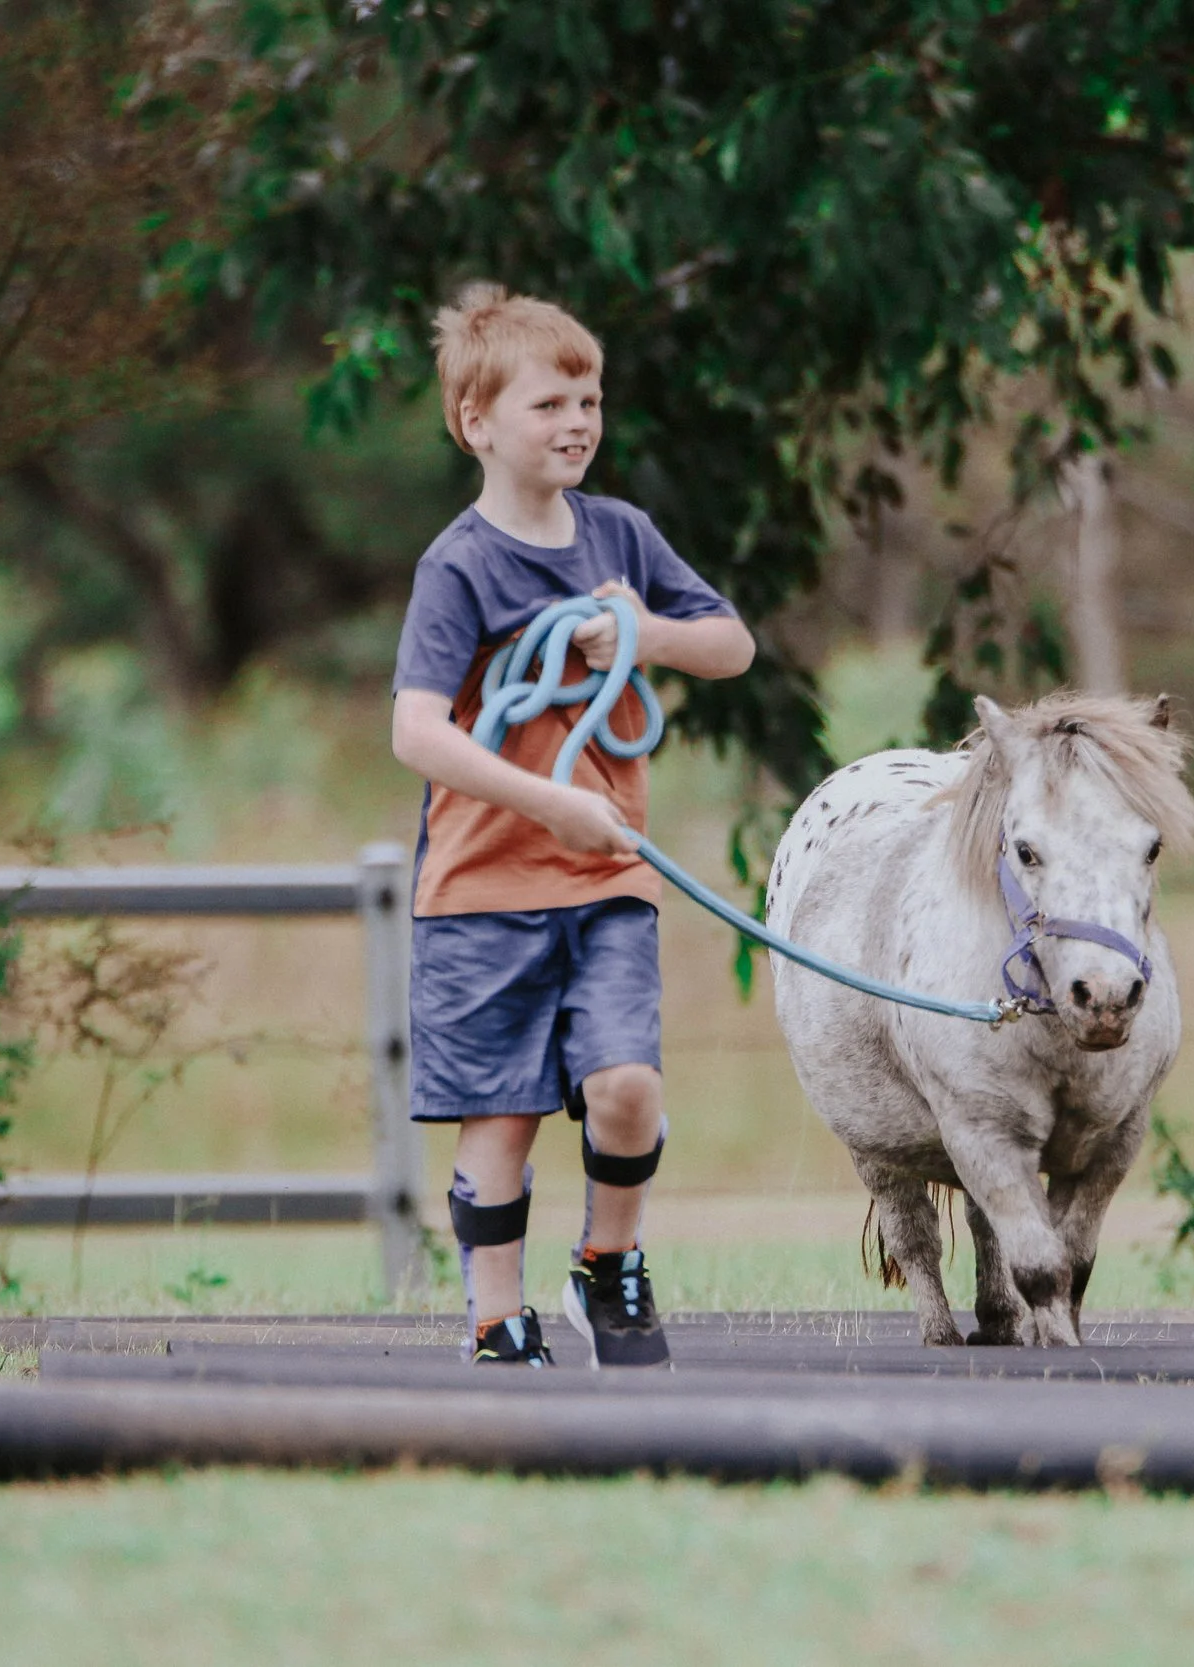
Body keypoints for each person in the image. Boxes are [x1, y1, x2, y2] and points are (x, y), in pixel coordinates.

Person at [389, 283, 755, 1367]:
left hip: (605, 879)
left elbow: (729, 643)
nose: (579, 422)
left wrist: (639, 632)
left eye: (590, 399)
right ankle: (497, 1317)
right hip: (483, 887)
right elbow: (415, 730)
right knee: (498, 1119)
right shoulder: (457, 565)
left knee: (627, 1086)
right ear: (477, 423)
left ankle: (609, 1260)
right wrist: (551, 800)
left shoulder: (621, 536)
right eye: (551, 402)